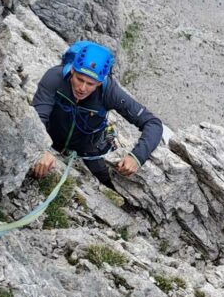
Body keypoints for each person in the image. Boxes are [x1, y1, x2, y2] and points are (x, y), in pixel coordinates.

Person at [31, 39, 163, 187]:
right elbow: (37, 118)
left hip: (90, 152)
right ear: (72, 70)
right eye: (79, 79)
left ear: (100, 82)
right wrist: (42, 148)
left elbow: (153, 123)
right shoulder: (55, 78)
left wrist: (137, 157)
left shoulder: (109, 92)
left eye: (90, 84)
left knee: (113, 185)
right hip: (52, 143)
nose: (82, 88)